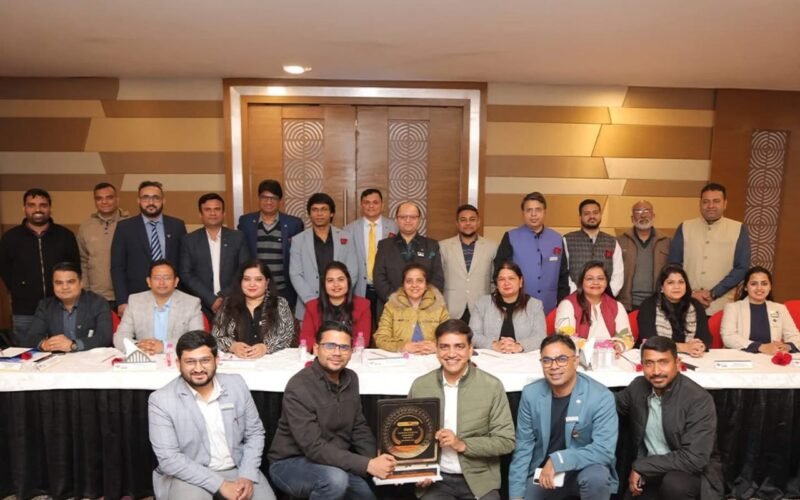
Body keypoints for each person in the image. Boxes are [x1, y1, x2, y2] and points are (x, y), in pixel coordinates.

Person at [268, 321, 396, 499]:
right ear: (316, 348)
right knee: (335, 481)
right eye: (330, 346)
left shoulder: (351, 378)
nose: (337, 353)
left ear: (351, 352)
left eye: (344, 347)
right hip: (290, 462)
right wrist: (367, 465)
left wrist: (378, 459)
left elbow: (359, 428)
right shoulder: (299, 386)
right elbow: (313, 447)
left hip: (333, 462)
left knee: (365, 496)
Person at [148, 331, 276, 500]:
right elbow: (169, 459)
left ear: (217, 360)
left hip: (238, 469)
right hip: (189, 475)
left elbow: (255, 433)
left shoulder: (236, 384)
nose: (198, 369)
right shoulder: (161, 400)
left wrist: (247, 474)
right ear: (178, 364)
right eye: (190, 362)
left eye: (205, 360)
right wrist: (220, 485)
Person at [409, 319, 515, 500]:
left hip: (479, 480)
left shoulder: (491, 386)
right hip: (436, 480)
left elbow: (506, 441)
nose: (451, 354)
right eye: (444, 347)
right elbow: (409, 438)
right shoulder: (420, 386)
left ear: (470, 349)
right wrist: (418, 471)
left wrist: (462, 444)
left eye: (459, 346)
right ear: (437, 350)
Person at [508, 335, 618, 500]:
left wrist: (559, 460)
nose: (554, 366)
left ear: (575, 361)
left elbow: (604, 450)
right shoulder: (531, 394)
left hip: (584, 469)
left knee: (597, 477)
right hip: (545, 475)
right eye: (547, 360)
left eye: (562, 359)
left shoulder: (600, 396)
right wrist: (516, 495)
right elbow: (523, 448)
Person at [615, 336, 724, 499]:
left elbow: (694, 458)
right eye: (649, 363)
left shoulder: (698, 399)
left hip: (689, 476)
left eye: (663, 362)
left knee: (674, 484)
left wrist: (641, 466)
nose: (656, 371)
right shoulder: (638, 387)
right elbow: (608, 403)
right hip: (652, 474)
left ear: (677, 363)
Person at [0, 188, 80, 341]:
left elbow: (75, 268)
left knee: (61, 350)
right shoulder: (10, 238)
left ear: (50, 208)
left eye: (43, 205)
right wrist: (20, 288)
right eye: (32, 205)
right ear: (24, 208)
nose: (38, 209)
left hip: (60, 307)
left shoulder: (65, 236)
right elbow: (5, 269)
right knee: (26, 351)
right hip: (24, 310)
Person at [669, 182, 751, 315]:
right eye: (706, 202)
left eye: (716, 201)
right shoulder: (685, 227)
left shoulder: (738, 229)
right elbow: (673, 265)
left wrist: (713, 293)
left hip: (721, 306)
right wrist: (691, 293)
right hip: (685, 303)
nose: (710, 206)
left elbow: (742, 268)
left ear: (725, 204)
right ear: (700, 204)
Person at [111, 181, 187, 316]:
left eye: (155, 198)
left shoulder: (177, 226)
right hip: (136, 297)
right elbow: (117, 267)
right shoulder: (125, 228)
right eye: (145, 198)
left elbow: (184, 263)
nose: (151, 202)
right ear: (138, 201)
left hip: (172, 296)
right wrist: (122, 300)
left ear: (163, 200)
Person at [494, 192, 569, 314]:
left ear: (545, 212)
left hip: (550, 307)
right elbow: (499, 272)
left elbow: (563, 276)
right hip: (518, 307)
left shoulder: (557, 238)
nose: (533, 214)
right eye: (529, 210)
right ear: (523, 213)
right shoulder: (510, 237)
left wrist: (562, 305)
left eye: (538, 210)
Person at [289, 192, 359, 320]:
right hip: (308, 307)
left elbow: (352, 272)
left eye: (324, 209)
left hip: (341, 306)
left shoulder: (346, 238)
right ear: (309, 213)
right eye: (315, 210)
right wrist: (311, 301)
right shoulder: (298, 240)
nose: (319, 214)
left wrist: (338, 297)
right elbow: (295, 274)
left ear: (331, 213)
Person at [180, 193, 251, 317]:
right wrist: (211, 299)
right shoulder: (189, 240)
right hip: (200, 305)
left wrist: (223, 297)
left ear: (223, 213)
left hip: (232, 303)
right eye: (207, 209)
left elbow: (244, 270)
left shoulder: (238, 237)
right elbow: (186, 274)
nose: (213, 213)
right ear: (200, 214)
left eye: (217, 209)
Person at [113, 260, 204, 355]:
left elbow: (197, 339)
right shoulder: (135, 301)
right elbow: (120, 336)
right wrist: (138, 346)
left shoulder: (191, 303)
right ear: (149, 281)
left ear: (176, 281)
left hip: (175, 358)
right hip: (145, 357)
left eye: (167, 278)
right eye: (157, 278)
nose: (161, 282)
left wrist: (164, 346)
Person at [237, 179, 304, 308]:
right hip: (254, 290)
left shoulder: (293, 224)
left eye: (273, 198)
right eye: (264, 197)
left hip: (284, 291)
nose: (268, 202)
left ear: (280, 201)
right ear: (259, 198)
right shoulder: (246, 222)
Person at [18, 262, 112, 352]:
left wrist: (73, 345)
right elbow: (31, 338)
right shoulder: (46, 306)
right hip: (58, 360)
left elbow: (104, 338)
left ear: (81, 283)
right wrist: (44, 344)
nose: (65, 287)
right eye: (59, 283)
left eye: (70, 282)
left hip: (91, 359)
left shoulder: (98, 303)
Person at [373, 201, 445, 315]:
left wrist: (421, 301)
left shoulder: (432, 245)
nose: (408, 220)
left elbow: (437, 279)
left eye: (412, 217)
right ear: (396, 220)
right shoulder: (384, 245)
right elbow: (379, 278)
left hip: (424, 310)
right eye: (403, 217)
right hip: (390, 308)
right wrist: (398, 301)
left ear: (419, 220)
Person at [212, 260, 294, 358]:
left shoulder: (279, 303)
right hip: (237, 361)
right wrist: (232, 346)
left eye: (258, 279)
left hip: (271, 361)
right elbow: (216, 336)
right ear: (241, 282)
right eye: (247, 279)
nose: (252, 284)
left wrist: (265, 347)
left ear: (267, 283)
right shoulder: (228, 304)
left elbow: (286, 335)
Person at [343, 188, 398, 328]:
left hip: (386, 287)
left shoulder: (395, 227)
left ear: (382, 205)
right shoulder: (348, 230)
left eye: (375, 202)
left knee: (386, 328)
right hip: (360, 288)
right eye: (367, 202)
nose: (371, 206)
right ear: (361, 205)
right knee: (360, 330)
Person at [555, 261, 633, 353]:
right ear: (581, 282)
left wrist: (619, 346)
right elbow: (565, 338)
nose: (596, 282)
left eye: (600, 278)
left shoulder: (616, 306)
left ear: (606, 282)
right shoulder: (567, 305)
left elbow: (627, 337)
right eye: (589, 279)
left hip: (610, 356)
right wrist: (594, 348)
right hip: (579, 356)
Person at [470, 261, 546, 353]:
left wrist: (519, 346)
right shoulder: (482, 303)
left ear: (520, 281)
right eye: (501, 279)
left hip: (523, 357)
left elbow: (540, 336)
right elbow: (473, 335)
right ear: (497, 284)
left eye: (511, 278)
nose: (506, 283)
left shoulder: (535, 305)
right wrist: (493, 345)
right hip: (491, 356)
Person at [439, 204, 498, 323]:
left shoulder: (492, 247)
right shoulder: (443, 246)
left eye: (472, 219)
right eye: (463, 220)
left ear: (478, 222)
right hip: (451, 308)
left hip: (481, 307)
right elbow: (439, 279)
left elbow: (494, 280)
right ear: (457, 223)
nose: (468, 223)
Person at [721, 265, 800, 354]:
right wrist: (762, 347)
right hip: (742, 357)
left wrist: (787, 346)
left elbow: (795, 336)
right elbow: (728, 337)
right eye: (753, 284)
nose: (759, 288)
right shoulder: (733, 308)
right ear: (746, 287)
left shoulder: (780, 308)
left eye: (764, 284)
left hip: (770, 358)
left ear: (770, 287)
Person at [636, 264, 711, 357]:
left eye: (681, 282)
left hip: (691, 357)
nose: (677, 286)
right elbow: (650, 341)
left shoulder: (695, 305)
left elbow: (706, 338)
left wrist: (699, 347)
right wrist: (684, 347)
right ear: (661, 288)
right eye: (670, 283)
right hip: (656, 356)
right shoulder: (649, 305)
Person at [374, 263, 450, 354]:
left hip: (432, 357)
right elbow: (380, 338)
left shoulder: (438, 306)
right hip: (401, 358)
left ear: (426, 284)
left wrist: (437, 346)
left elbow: (450, 337)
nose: (414, 285)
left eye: (419, 281)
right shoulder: (392, 306)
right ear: (403, 285)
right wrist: (401, 347)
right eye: (409, 281)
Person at [299, 261, 371, 351]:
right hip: (322, 355)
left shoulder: (363, 305)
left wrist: (341, 349)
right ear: (324, 284)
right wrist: (326, 350)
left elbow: (363, 339)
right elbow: (306, 339)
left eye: (341, 279)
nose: (336, 284)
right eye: (330, 280)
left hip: (350, 355)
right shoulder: (312, 306)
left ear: (348, 282)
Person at [77, 182, 128, 310]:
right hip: (96, 297)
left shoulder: (130, 224)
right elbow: (83, 260)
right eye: (99, 198)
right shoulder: (86, 227)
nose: (104, 202)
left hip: (126, 296)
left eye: (109, 197)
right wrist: (86, 291)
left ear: (117, 199)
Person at [617, 200, 671, 311]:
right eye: (638, 211)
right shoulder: (619, 241)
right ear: (632, 218)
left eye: (647, 211)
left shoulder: (667, 241)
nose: (643, 215)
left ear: (653, 215)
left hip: (658, 303)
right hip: (627, 303)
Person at [563, 199, 623, 296]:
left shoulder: (612, 241)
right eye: (587, 213)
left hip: (605, 297)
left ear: (600, 215)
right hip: (574, 297)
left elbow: (618, 273)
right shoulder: (567, 240)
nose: (592, 216)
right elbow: (564, 272)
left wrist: (607, 295)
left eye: (595, 213)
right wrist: (576, 294)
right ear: (580, 217)